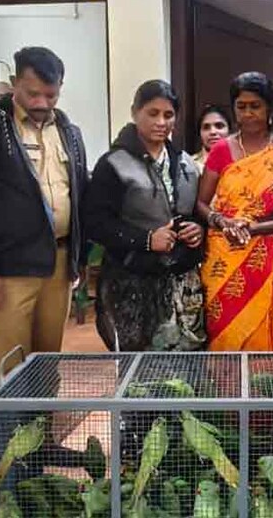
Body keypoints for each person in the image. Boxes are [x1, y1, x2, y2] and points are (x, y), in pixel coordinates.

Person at [0, 46, 89, 368]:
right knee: (11, 366)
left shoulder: (69, 133)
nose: (41, 103)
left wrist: (79, 257)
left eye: (51, 95)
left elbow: (81, 195)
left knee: (47, 362)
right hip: (9, 270)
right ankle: (12, 422)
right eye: (33, 94)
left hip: (58, 266)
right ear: (15, 82)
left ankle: (43, 420)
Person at [83, 80, 206, 351]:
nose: (161, 122)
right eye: (152, 113)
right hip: (130, 281)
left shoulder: (186, 162)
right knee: (138, 367)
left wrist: (198, 230)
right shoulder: (113, 164)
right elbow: (95, 223)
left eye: (168, 114)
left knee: (185, 363)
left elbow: (199, 212)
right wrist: (147, 239)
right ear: (134, 112)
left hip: (181, 282)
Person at [197, 72, 273, 351]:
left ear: (269, 109)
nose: (247, 113)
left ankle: (261, 390)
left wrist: (255, 229)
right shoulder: (222, 149)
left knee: (259, 336)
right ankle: (222, 393)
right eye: (241, 106)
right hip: (222, 254)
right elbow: (200, 203)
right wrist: (222, 222)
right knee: (223, 333)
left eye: (255, 106)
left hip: (262, 255)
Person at [192, 103, 231, 171]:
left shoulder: (241, 162)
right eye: (206, 127)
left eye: (219, 126)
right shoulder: (190, 164)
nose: (212, 132)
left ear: (229, 130)